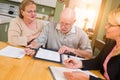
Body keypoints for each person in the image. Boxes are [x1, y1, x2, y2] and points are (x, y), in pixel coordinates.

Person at [64, 8, 120, 80]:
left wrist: (87, 78)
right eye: (107, 23)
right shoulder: (111, 44)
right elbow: (97, 62)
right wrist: (80, 63)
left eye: (110, 25)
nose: (105, 27)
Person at [25, 8, 92, 58]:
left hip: (69, 64)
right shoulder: (49, 26)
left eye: (67, 24)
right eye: (61, 22)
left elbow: (89, 54)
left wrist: (72, 50)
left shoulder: (81, 34)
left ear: (74, 21)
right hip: (49, 59)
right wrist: (32, 47)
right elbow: (38, 41)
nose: (63, 27)